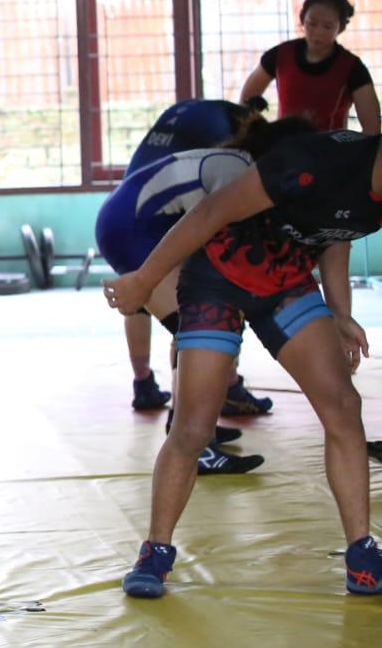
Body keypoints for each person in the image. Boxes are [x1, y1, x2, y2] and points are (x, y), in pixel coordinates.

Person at [105, 127, 382, 599]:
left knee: (342, 404)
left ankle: (362, 553)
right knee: (193, 428)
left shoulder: (369, 190)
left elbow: (338, 236)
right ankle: (155, 550)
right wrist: (145, 279)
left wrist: (340, 313)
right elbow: (210, 212)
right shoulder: (311, 156)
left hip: (285, 280)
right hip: (218, 277)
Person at [95, 117, 320, 477]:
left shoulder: (247, 167)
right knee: (197, 327)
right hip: (132, 228)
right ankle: (195, 443)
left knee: (198, 323)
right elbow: (220, 236)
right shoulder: (240, 172)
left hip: (135, 222)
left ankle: (196, 428)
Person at [119, 99, 276, 417]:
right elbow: (216, 206)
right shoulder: (232, 143)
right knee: (201, 315)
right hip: (160, 212)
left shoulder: (193, 110)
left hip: (131, 202)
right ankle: (206, 410)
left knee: (144, 297)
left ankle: (145, 385)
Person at [240, 0, 379, 135]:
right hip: (285, 149)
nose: (318, 32)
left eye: (327, 26)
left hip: (331, 152)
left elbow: (372, 127)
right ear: (302, 20)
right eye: (312, 24)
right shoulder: (280, 55)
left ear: (341, 28)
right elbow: (245, 102)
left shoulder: (352, 67)